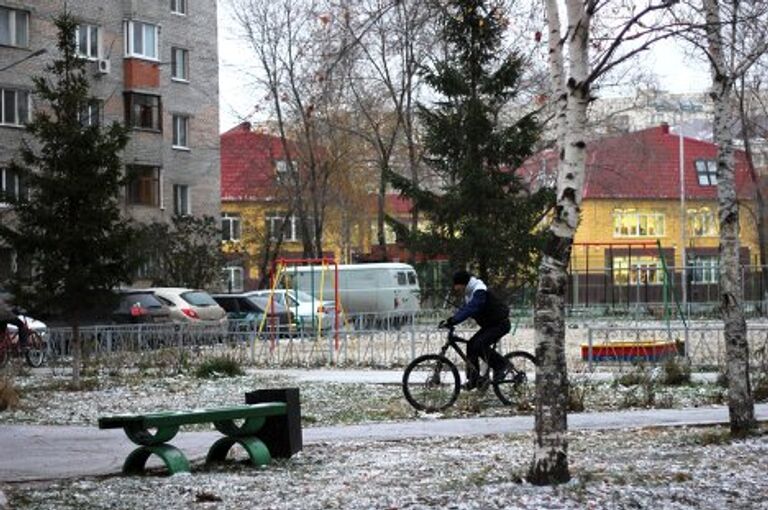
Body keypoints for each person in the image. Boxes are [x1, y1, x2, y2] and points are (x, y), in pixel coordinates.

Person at [440, 269, 510, 389]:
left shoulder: (479, 289)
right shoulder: (470, 293)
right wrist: (451, 320)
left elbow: (472, 308)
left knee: (479, 344)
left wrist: (454, 320)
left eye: (456, 285)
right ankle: (474, 379)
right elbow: (465, 310)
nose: (455, 288)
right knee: (471, 345)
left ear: (463, 284)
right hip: (491, 325)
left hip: (500, 324)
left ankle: (502, 366)